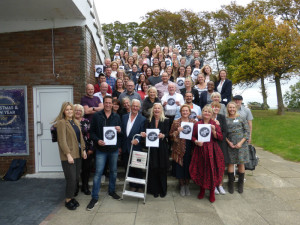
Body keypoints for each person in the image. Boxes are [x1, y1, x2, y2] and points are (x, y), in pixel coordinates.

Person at [87, 96, 122, 211]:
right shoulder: (97, 116)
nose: (107, 105)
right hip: (101, 150)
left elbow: (121, 134)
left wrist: (119, 130)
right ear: (103, 103)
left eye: (109, 103)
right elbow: (91, 132)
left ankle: (112, 191)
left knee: (113, 171)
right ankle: (94, 197)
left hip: (113, 150)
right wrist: (97, 140)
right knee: (98, 173)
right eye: (106, 103)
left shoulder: (117, 116)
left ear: (112, 104)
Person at [54, 102, 87, 210]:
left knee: (76, 178)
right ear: (63, 111)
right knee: (71, 178)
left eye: (71, 109)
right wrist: (68, 155)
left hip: (77, 154)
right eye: (67, 109)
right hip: (68, 156)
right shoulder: (62, 123)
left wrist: (83, 150)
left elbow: (80, 138)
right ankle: (68, 200)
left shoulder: (74, 122)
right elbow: (62, 140)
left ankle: (71, 197)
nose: (69, 111)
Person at [189, 105, 225, 203]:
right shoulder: (197, 124)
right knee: (202, 169)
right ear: (202, 113)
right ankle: (202, 189)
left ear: (212, 114)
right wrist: (196, 141)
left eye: (209, 112)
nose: (207, 113)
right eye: (205, 111)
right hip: (200, 149)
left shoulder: (214, 124)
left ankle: (212, 191)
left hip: (212, 150)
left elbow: (220, 138)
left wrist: (214, 131)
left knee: (212, 170)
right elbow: (192, 136)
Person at [141, 103, 169, 198]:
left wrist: (164, 135)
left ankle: (163, 190)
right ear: (153, 110)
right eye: (155, 108)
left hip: (162, 148)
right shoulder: (148, 121)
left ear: (161, 110)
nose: (157, 110)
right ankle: (154, 190)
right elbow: (145, 132)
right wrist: (144, 134)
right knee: (153, 168)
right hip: (152, 148)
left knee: (162, 169)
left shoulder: (166, 121)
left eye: (159, 108)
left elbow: (168, 133)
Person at [170, 104, 196, 196]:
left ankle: (187, 186)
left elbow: (197, 134)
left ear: (189, 112)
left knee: (188, 167)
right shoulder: (176, 122)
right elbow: (171, 136)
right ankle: (182, 186)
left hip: (190, 147)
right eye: (183, 111)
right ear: (180, 112)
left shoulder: (194, 122)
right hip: (179, 147)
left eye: (186, 111)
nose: (185, 112)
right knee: (180, 168)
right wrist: (177, 131)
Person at [121, 99, 146, 192]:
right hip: (125, 147)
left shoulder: (142, 119)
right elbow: (122, 132)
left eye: (137, 106)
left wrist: (137, 139)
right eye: (133, 106)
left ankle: (139, 186)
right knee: (128, 167)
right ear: (130, 106)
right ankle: (132, 185)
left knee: (138, 168)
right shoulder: (124, 117)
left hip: (136, 147)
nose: (135, 108)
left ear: (139, 108)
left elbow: (142, 132)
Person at [225, 101, 250, 194]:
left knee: (241, 163)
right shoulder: (226, 119)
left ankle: (240, 185)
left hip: (241, 144)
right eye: (230, 107)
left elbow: (247, 131)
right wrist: (229, 143)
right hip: (230, 143)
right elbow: (224, 133)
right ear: (227, 109)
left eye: (233, 107)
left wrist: (241, 142)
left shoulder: (241, 118)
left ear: (236, 108)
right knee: (231, 163)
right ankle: (231, 185)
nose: (232, 109)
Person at [74, 104, 93, 195]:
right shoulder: (70, 122)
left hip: (86, 149)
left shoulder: (86, 121)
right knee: (75, 170)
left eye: (80, 110)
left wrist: (91, 148)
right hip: (74, 150)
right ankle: (75, 187)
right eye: (76, 110)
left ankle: (85, 187)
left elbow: (90, 135)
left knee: (86, 169)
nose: (78, 112)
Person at [211, 101, 228, 195]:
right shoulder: (208, 117)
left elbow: (225, 132)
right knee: (212, 165)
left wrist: (218, 126)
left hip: (220, 144)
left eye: (217, 107)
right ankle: (213, 185)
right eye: (214, 107)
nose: (215, 108)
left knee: (220, 166)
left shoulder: (222, 118)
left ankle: (220, 185)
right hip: (210, 144)